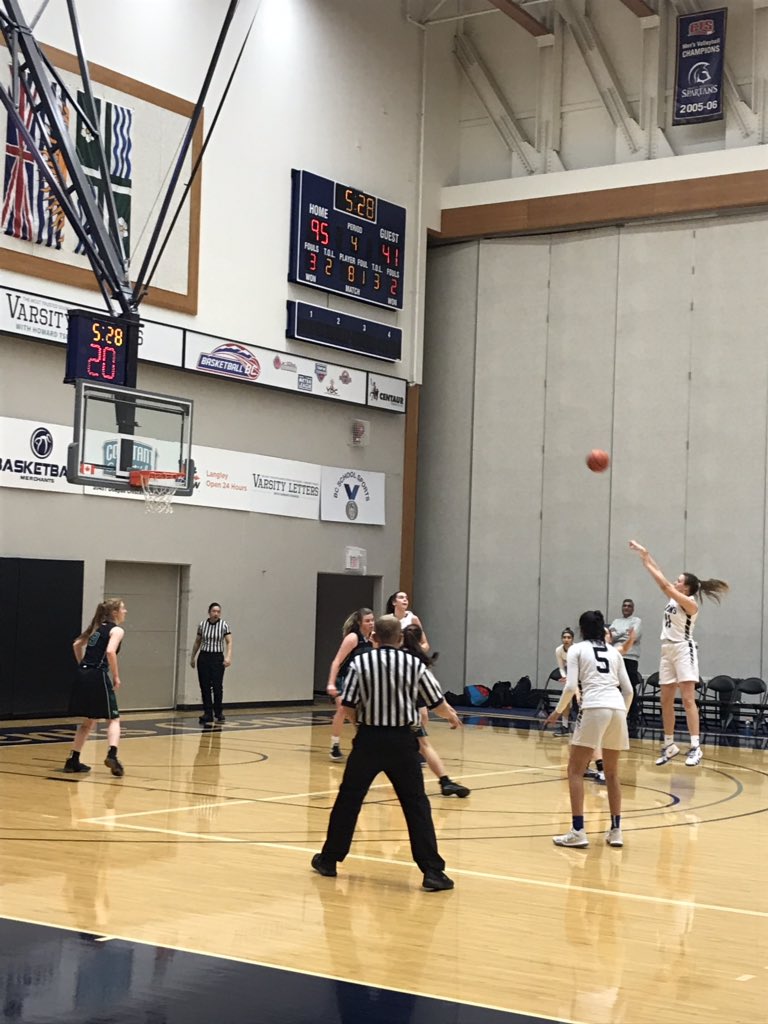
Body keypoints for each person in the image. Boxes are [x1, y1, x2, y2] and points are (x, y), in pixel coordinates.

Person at [311, 614, 462, 891]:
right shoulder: (414, 664)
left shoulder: (360, 662)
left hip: (369, 740)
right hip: (403, 741)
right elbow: (436, 700)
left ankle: (329, 860)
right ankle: (432, 872)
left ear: (374, 638)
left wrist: (362, 727)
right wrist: (451, 716)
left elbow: (350, 704)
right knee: (416, 804)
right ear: (401, 638)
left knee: (349, 800)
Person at [629, 540, 729, 767]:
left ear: (686, 588)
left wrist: (647, 565)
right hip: (667, 650)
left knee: (687, 699)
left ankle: (695, 747)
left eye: (679, 581)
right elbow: (663, 579)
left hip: (684, 649)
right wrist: (646, 555)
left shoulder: (690, 604)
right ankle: (670, 744)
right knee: (665, 700)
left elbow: (664, 584)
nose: (675, 582)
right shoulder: (675, 597)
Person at [543, 610, 633, 848]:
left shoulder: (576, 649)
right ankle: (616, 831)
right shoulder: (614, 652)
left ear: (581, 630)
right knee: (612, 774)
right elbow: (629, 690)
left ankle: (578, 830)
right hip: (616, 708)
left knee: (574, 770)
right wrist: (622, 712)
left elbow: (571, 685)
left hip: (594, 705)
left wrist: (558, 711)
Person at [401, 624, 470, 798]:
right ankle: (444, 781)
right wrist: (450, 714)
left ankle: (443, 781)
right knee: (422, 746)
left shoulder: (392, 656)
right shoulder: (419, 662)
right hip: (407, 714)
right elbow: (434, 694)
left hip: (385, 716)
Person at [65, 597, 128, 777]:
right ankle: (112, 755)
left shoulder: (96, 629)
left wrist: (82, 665)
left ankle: (73, 759)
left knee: (88, 721)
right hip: (98, 674)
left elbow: (76, 644)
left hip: (83, 674)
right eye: (123, 608)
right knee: (113, 719)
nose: (125, 611)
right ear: (114, 612)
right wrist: (116, 676)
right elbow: (109, 651)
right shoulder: (116, 630)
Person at [326, 608, 375, 761]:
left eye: (373, 620)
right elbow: (336, 661)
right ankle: (334, 745)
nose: (371, 623)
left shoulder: (373, 639)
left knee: (361, 715)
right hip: (344, 679)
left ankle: (363, 745)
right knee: (342, 710)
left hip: (361, 682)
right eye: (367, 621)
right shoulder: (353, 638)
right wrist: (331, 683)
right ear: (360, 622)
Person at [190, 602, 232, 726]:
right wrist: (192, 657)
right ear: (209, 612)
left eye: (218, 611)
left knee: (217, 686)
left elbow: (229, 642)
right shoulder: (202, 625)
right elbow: (197, 642)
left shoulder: (224, 625)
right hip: (204, 657)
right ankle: (207, 713)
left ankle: (218, 711)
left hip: (217, 658)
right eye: (214, 611)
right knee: (205, 686)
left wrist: (228, 657)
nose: (216, 614)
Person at [609, 598, 642, 735]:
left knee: (629, 688)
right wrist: (624, 634)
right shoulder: (616, 621)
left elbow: (635, 636)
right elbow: (610, 637)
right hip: (616, 656)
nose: (626, 608)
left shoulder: (637, 620)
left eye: (629, 606)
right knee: (615, 687)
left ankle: (633, 719)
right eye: (625, 606)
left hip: (630, 658)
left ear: (633, 608)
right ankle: (615, 717)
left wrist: (619, 635)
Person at [552, 627, 575, 737]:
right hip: (569, 676)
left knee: (580, 702)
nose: (566, 639)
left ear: (572, 639)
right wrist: (565, 678)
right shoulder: (558, 650)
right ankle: (565, 726)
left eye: (569, 637)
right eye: (564, 637)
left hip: (581, 675)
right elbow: (561, 667)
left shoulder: (576, 649)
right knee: (566, 700)